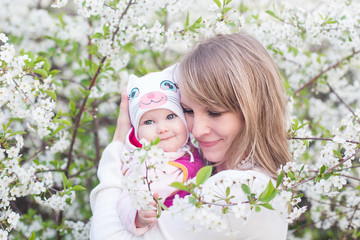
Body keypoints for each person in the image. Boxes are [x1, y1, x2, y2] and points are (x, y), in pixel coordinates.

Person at [90, 31, 291, 240]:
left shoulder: (241, 192)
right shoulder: (205, 168)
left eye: (214, 112)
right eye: (187, 110)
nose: (196, 130)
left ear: (254, 109)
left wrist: (117, 148)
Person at [116, 68, 204, 235]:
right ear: (137, 131)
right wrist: (138, 215)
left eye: (171, 117)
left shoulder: (196, 149)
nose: (162, 129)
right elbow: (126, 197)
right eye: (149, 122)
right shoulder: (141, 164)